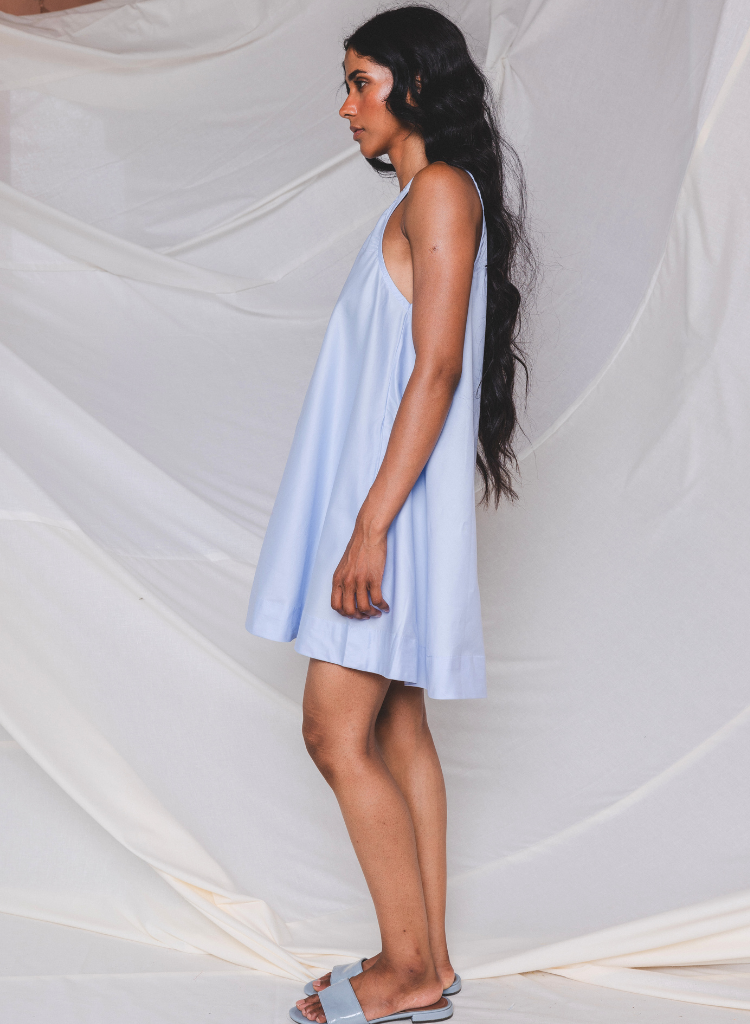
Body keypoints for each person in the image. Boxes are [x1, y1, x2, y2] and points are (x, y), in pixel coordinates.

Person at [245, 7, 529, 1023]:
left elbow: (437, 369)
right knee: (397, 724)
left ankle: (405, 974)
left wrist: (369, 529)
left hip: (388, 511)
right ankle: (428, 963)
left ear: (414, 85)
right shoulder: (420, 201)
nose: (346, 105)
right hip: (386, 500)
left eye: (360, 81)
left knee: (334, 731)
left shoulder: (441, 191)